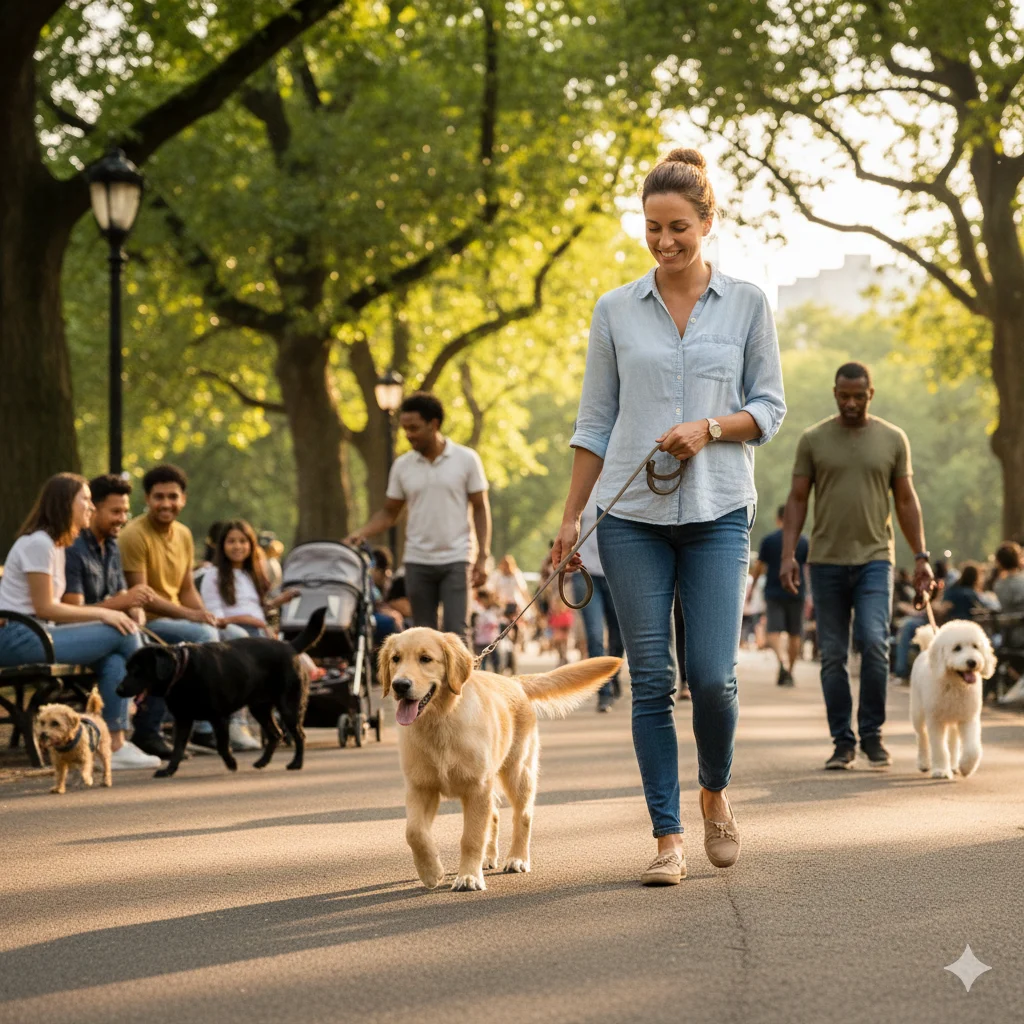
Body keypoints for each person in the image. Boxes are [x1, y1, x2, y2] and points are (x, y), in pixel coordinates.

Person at [552, 147, 786, 886]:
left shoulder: (747, 304)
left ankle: (713, 789)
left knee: (713, 677)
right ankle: (667, 836)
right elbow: (595, 422)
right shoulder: (615, 310)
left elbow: (770, 408)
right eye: (652, 227)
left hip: (718, 511)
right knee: (651, 678)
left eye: (678, 226)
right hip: (630, 515)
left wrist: (710, 428)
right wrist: (569, 521)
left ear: (708, 222)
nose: (664, 242)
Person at [780, 361, 934, 771]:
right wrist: (788, 555)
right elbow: (797, 499)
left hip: (874, 560)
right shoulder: (813, 439)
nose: (851, 403)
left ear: (871, 394)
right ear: (835, 393)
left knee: (874, 643)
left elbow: (905, 500)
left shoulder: (892, 438)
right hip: (826, 560)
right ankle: (842, 742)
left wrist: (921, 556)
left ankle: (871, 734)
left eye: (859, 396)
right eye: (844, 396)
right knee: (832, 655)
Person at [0, 473, 159, 770]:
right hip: (18, 637)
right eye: (84, 499)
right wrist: (103, 612)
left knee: (113, 656)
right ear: (64, 504)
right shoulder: (39, 543)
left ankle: (113, 743)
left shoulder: (56, 545)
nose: (90, 506)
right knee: (121, 633)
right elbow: (46, 607)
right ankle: (144, 697)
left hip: (37, 633)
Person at [344, 392, 491, 641]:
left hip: (456, 558)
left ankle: (463, 682)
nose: (408, 434)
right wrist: (359, 534)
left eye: (414, 428)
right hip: (418, 561)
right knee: (423, 636)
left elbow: (480, 507)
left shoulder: (466, 460)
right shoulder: (403, 466)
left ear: (434, 424)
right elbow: (390, 512)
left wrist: (482, 556)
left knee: (457, 634)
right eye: (404, 429)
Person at [117, 464, 224, 755]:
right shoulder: (134, 535)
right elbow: (142, 597)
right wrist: (193, 618)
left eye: (173, 497)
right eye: (159, 497)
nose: (166, 504)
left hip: (176, 619)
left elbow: (187, 589)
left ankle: (216, 724)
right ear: (147, 498)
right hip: (147, 622)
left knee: (226, 637)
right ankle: (190, 727)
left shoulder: (184, 534)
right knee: (200, 640)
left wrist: (207, 617)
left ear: (183, 499)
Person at [60, 473, 162, 766]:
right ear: (94, 509)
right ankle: (149, 684)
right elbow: (72, 609)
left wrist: (134, 608)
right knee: (127, 638)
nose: (122, 518)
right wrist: (123, 603)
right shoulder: (74, 547)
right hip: (72, 634)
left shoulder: (112, 546)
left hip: (107, 636)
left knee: (117, 661)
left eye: (125, 511)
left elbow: (120, 593)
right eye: (115, 511)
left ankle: (114, 745)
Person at [200, 519, 298, 637]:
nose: (237, 546)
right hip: (233, 633)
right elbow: (217, 619)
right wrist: (253, 621)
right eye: (231, 541)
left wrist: (277, 602)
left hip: (258, 629)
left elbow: (252, 608)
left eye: (243, 541)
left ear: (251, 545)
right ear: (222, 545)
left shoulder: (251, 574)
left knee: (300, 655)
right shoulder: (213, 575)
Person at [573, 488, 624, 712]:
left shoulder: (624, 482)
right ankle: (603, 691)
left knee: (619, 635)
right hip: (584, 573)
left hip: (617, 572)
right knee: (594, 635)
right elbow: (571, 523)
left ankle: (612, 673)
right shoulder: (586, 486)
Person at [751, 505, 808, 686]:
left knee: (773, 631)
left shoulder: (769, 540)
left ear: (778, 519)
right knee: (795, 632)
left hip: (774, 591)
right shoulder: (803, 541)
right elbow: (807, 568)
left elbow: (759, 567)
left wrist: (751, 587)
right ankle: (790, 670)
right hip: (797, 591)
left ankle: (781, 662)